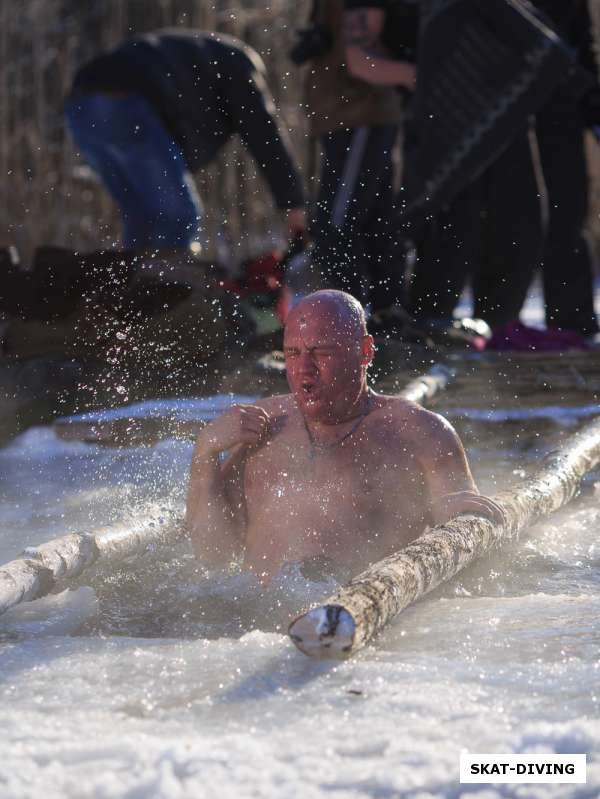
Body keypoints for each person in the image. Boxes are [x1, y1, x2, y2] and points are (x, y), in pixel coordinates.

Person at [186, 289, 504, 582]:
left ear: (365, 352)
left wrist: (460, 519)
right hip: (255, 621)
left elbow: (469, 551)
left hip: (365, 613)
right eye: (292, 353)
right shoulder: (259, 428)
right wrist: (205, 455)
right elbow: (212, 556)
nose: (304, 370)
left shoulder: (421, 432)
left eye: (321, 353)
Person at [66, 30, 307, 254]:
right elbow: (264, 135)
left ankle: (130, 292)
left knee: (142, 216)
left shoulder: (199, 62)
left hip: (80, 108)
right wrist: (293, 203)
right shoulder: (239, 66)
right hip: (123, 101)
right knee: (179, 216)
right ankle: (163, 294)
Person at [301, 0, 416, 329]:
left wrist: (419, 75)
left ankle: (346, 324)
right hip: (353, 120)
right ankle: (388, 316)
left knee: (335, 226)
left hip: (360, 118)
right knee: (376, 224)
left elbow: (361, 63)